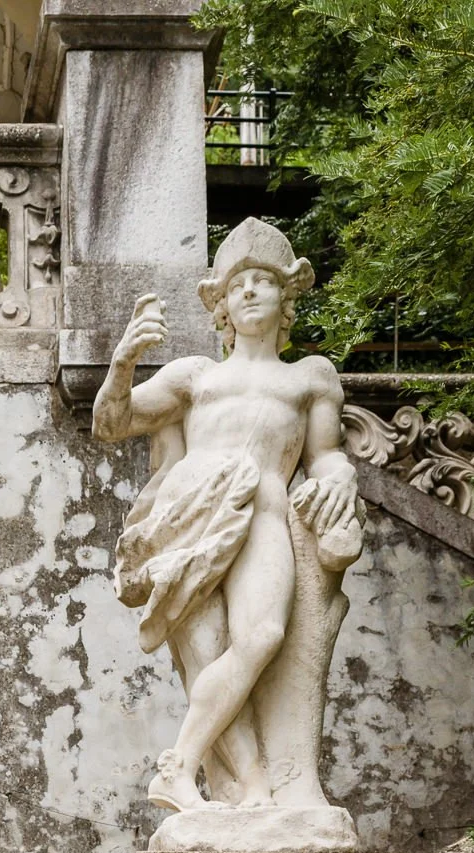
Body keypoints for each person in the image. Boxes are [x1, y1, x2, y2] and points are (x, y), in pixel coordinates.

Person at [91, 217, 363, 814]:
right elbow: (110, 424)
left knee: (262, 636)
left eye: (263, 280)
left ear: (286, 295)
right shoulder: (195, 377)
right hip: (189, 517)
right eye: (237, 283)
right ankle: (249, 791)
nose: (248, 291)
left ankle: (180, 767)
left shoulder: (309, 378)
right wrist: (121, 365)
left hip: (264, 511)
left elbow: (327, 458)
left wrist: (340, 485)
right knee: (209, 655)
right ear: (219, 303)